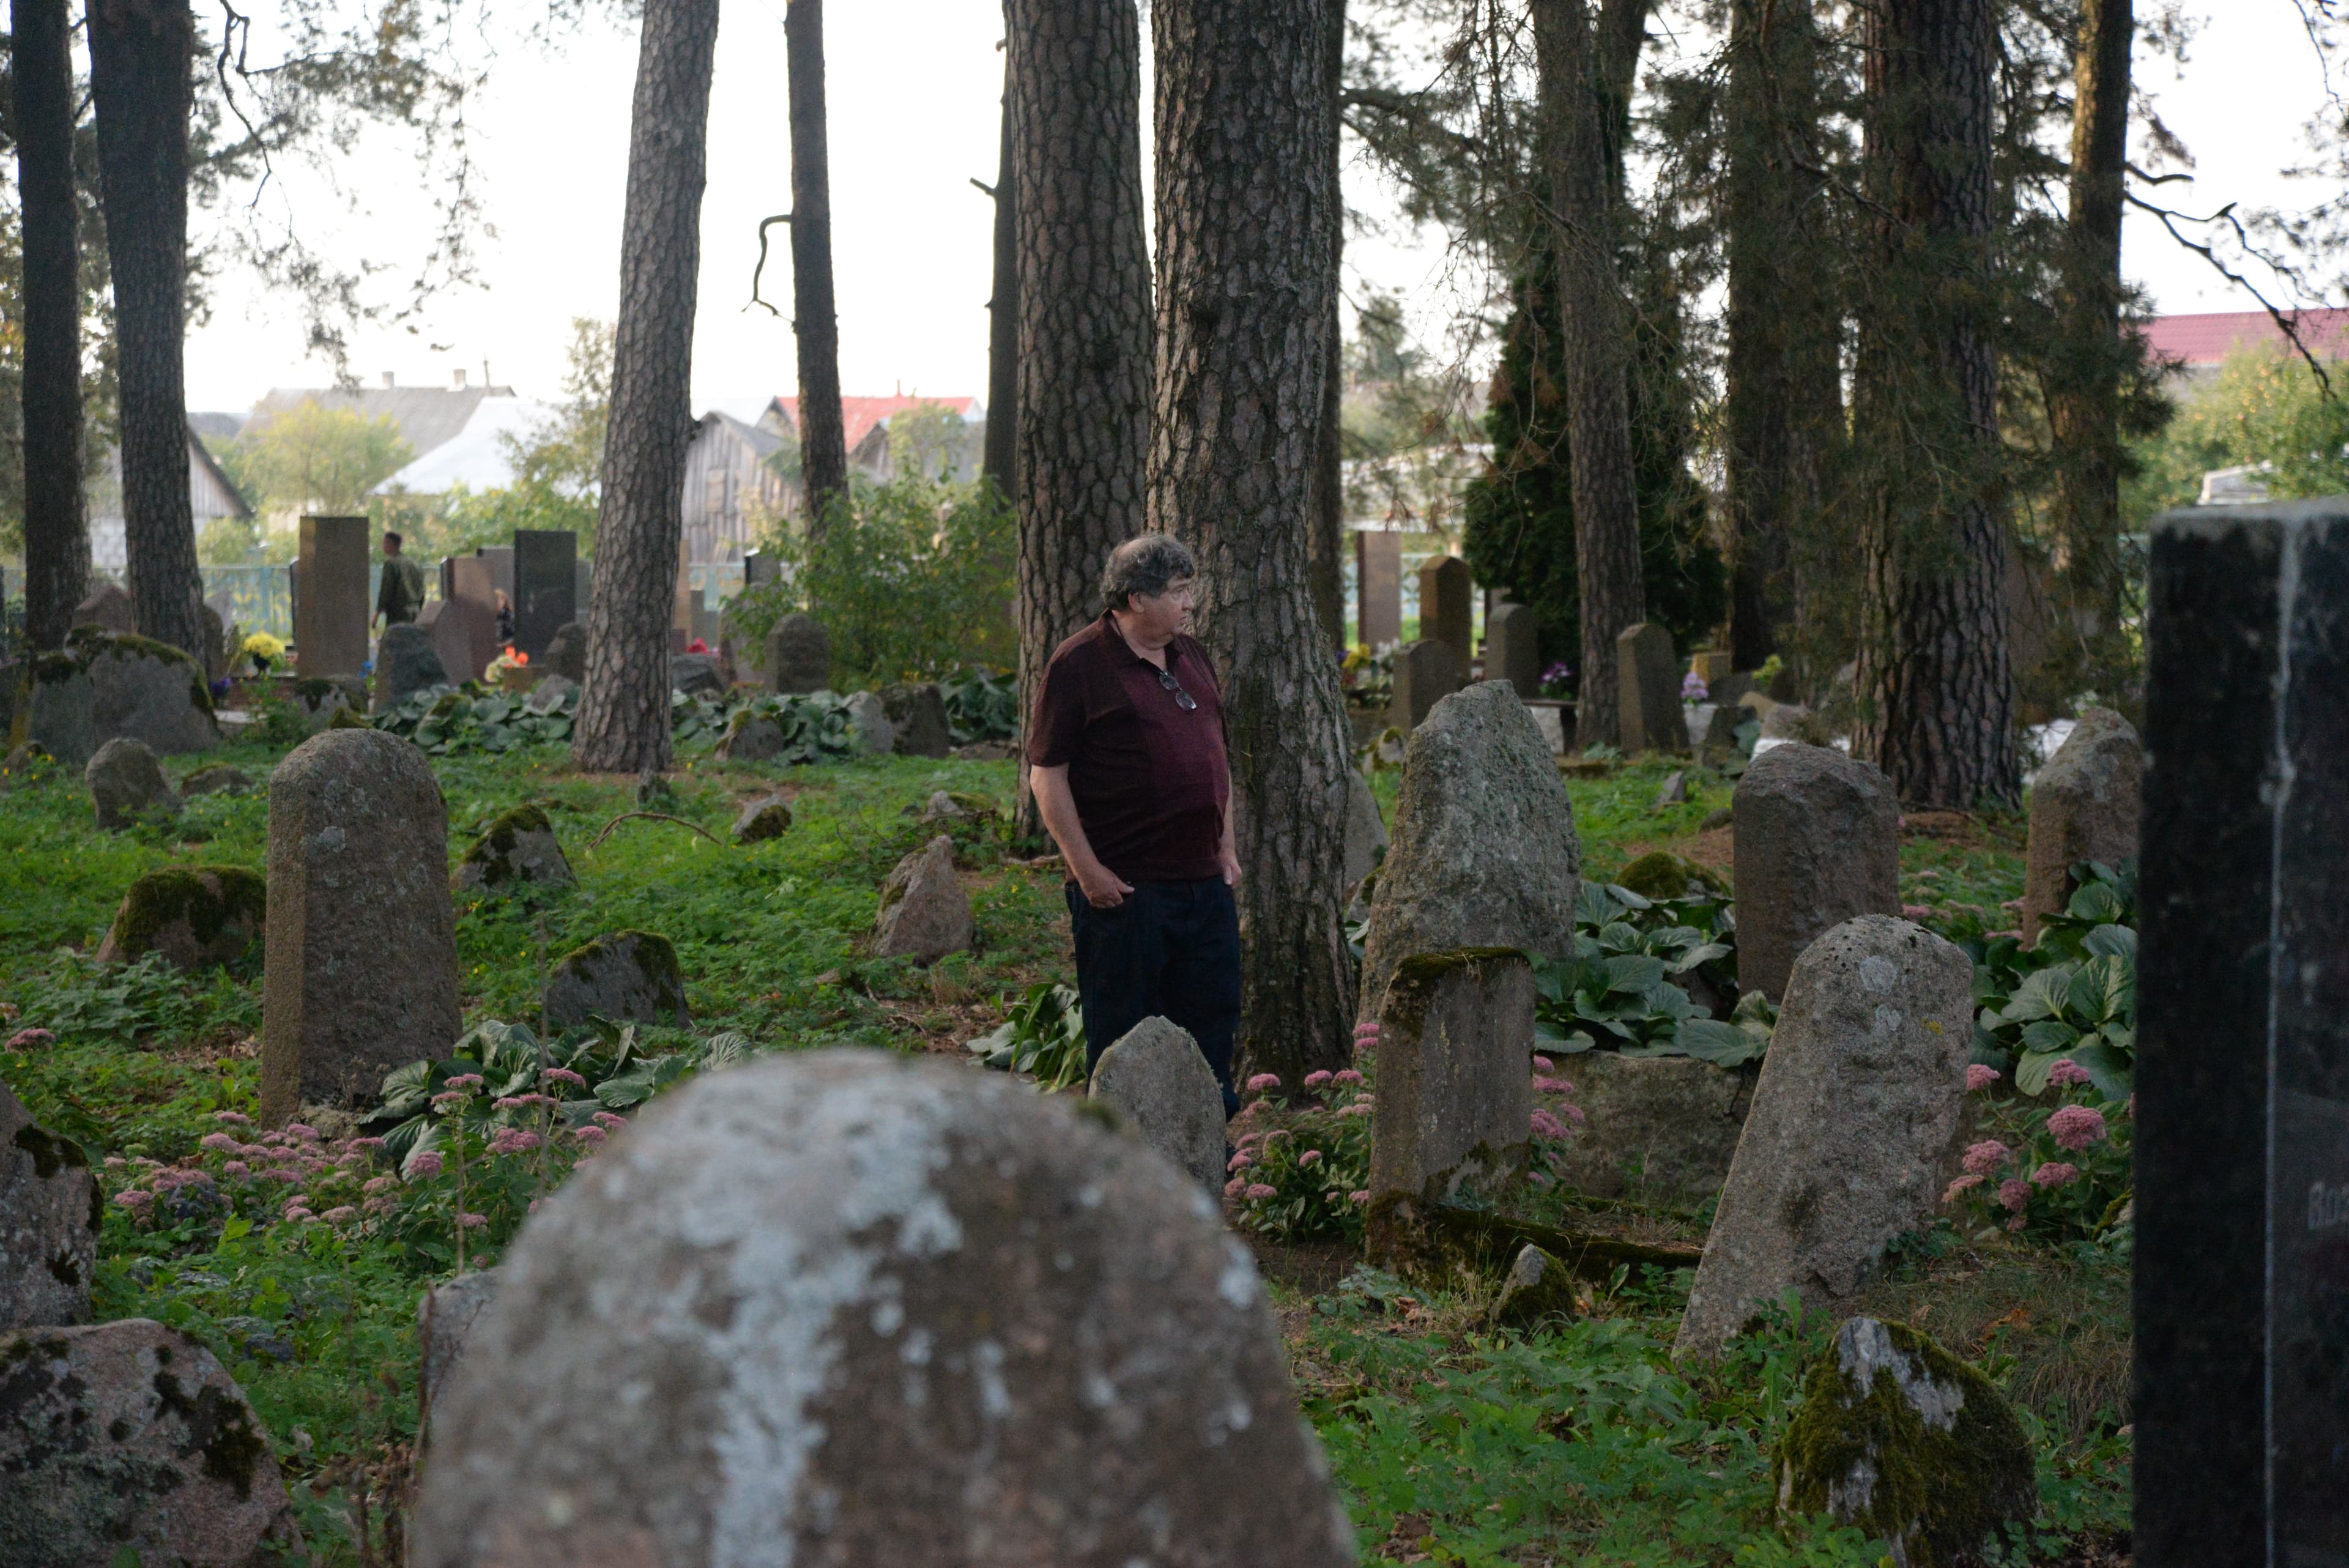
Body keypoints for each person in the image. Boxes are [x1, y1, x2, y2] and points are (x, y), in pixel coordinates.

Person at [1028, 533, 1242, 1112]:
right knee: (1124, 1040)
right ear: (1135, 599)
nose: (1190, 603)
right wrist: (1088, 871)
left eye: (1189, 589)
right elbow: (1047, 776)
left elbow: (1215, 755)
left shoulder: (1192, 656)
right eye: (1178, 592)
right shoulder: (1080, 664)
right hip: (1126, 894)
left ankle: (1202, 1154)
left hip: (1204, 886)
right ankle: (1122, 1162)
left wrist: (1225, 848)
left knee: (1211, 1028)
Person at [374, 531, 425, 630]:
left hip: (398, 613)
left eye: (384, 543)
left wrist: (377, 614)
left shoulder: (391, 564)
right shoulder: (415, 564)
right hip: (415, 611)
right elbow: (422, 590)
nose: (383, 546)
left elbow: (386, 590)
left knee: (398, 642)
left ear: (390, 543)